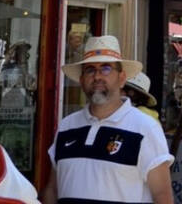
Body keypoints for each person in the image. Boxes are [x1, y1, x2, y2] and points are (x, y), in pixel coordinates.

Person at [41, 35, 174, 204]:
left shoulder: (145, 128)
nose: (97, 76)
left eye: (106, 68)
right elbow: (53, 189)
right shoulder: (66, 126)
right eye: (90, 69)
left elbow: (163, 195)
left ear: (121, 78)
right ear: (82, 80)